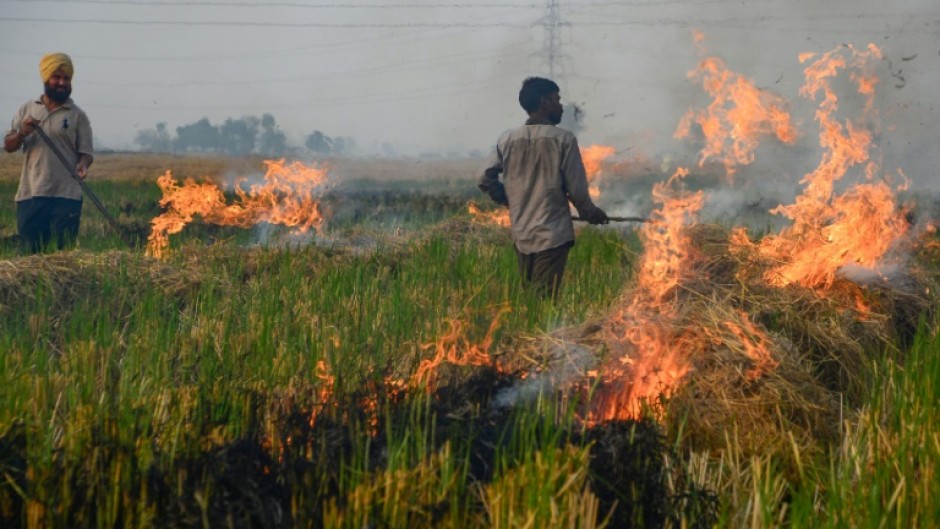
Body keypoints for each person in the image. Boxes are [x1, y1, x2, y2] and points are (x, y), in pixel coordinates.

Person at [478, 76, 608, 298]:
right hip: (552, 234)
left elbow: (484, 178)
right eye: (557, 100)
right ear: (544, 102)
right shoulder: (563, 140)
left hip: (522, 234)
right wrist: (591, 213)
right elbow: (576, 189)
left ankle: (528, 331)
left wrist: (506, 198)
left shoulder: (507, 140)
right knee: (544, 300)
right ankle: (538, 333)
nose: (560, 107)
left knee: (530, 298)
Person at [4, 52, 93, 254]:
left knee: (63, 259)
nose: (62, 83)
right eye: (57, 77)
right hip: (31, 193)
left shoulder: (78, 115)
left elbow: (86, 153)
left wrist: (84, 164)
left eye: (66, 78)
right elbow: (9, 145)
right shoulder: (27, 109)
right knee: (29, 258)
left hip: (67, 195)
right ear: (46, 78)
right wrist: (22, 133)